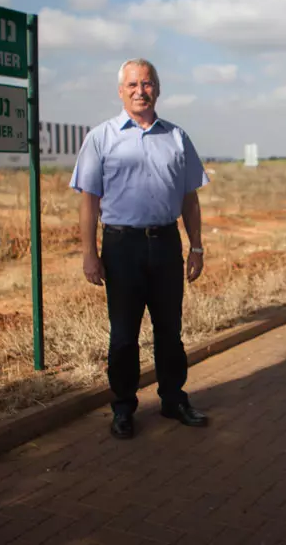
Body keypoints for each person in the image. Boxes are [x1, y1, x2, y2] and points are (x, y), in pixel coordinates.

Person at [70, 58, 209, 439]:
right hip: (121, 246)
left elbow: (190, 198)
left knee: (170, 330)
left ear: (157, 90)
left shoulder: (177, 137)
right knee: (124, 335)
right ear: (120, 91)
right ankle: (123, 407)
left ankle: (173, 399)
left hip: (166, 244)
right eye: (132, 85)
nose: (140, 91)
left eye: (146, 84)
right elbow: (89, 202)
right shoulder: (101, 138)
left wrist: (196, 247)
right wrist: (89, 253)